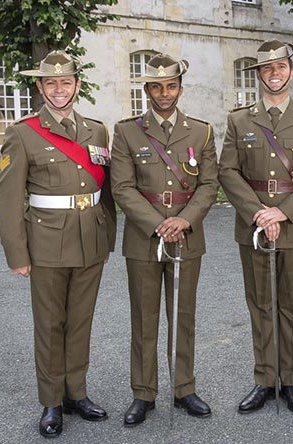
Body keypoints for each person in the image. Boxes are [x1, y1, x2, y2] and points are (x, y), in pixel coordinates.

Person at [0, 50, 116, 438]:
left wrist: (107, 235)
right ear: (40, 87)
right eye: (51, 83)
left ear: (77, 85)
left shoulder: (96, 130)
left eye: (66, 82)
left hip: (90, 239)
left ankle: (76, 393)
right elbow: (8, 197)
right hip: (45, 242)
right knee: (50, 324)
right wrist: (17, 253)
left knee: (80, 322)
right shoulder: (23, 132)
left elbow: (106, 189)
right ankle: (51, 401)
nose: (59, 89)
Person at [219, 40, 293, 414]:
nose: (274, 73)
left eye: (280, 67)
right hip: (252, 223)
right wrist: (258, 212)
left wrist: (283, 213)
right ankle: (265, 379)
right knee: (261, 304)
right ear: (259, 75)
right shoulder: (239, 120)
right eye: (267, 69)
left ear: (290, 71)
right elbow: (227, 171)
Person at [110, 53, 218, 425]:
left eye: (171, 86)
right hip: (144, 237)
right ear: (147, 90)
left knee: (183, 316)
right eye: (156, 87)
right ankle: (143, 393)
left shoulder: (201, 131)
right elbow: (122, 188)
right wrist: (159, 223)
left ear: (180, 89)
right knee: (144, 317)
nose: (164, 93)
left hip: (186, 235)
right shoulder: (126, 131)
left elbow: (208, 184)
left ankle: (184, 388)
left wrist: (183, 221)